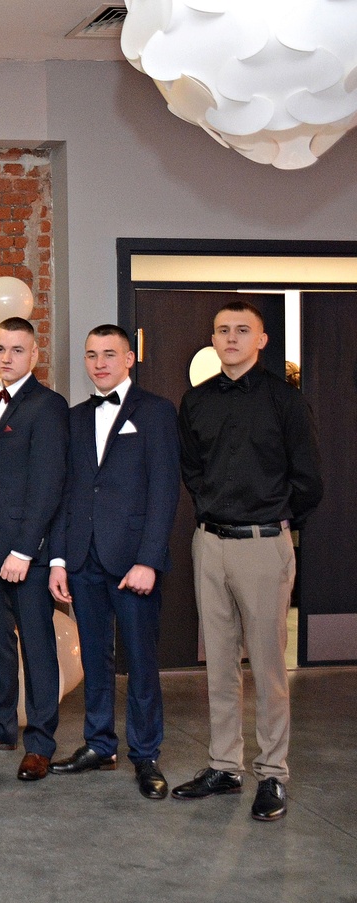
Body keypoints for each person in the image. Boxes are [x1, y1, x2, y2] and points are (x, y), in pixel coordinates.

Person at [172, 300, 322, 821]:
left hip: (263, 544)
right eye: (222, 330)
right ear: (213, 339)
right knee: (218, 662)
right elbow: (192, 470)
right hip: (210, 543)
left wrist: (274, 518)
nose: (230, 338)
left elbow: (308, 479)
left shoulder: (285, 401)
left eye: (242, 330)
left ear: (261, 340)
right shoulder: (195, 401)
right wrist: (215, 510)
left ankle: (273, 773)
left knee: (267, 665)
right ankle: (224, 766)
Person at [48, 324, 179, 800]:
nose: (99, 363)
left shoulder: (156, 412)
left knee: (141, 660)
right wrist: (59, 559)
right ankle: (99, 745)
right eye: (91, 355)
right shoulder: (75, 417)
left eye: (109, 354)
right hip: (83, 558)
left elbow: (165, 490)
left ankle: (145, 754)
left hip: (132, 562)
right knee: (94, 658)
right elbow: (66, 492)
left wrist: (149, 560)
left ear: (129, 359)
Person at [0, 316, 68, 782]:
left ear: (34, 355)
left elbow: (48, 484)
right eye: (1, 349)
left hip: (26, 552)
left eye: (17, 350)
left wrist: (25, 551)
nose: (7, 358)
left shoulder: (48, 406)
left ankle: (41, 742)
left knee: (38, 645)